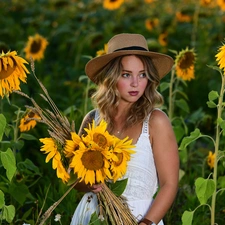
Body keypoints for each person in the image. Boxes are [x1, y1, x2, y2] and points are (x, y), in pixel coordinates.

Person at [70, 33, 179, 225]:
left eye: (142, 74)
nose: (136, 83)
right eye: (126, 74)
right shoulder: (92, 120)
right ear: (111, 77)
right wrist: (89, 183)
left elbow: (169, 184)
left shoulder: (155, 122)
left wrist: (147, 223)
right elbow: (74, 179)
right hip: (92, 215)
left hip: (140, 217)